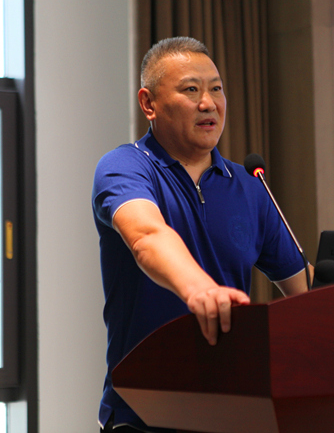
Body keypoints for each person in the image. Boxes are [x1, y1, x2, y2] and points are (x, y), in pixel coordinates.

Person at [92, 37, 311, 432]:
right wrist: (200, 290)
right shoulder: (125, 167)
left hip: (231, 411)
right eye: (191, 90)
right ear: (149, 103)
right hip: (143, 415)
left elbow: (306, 291)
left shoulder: (250, 186)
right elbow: (147, 236)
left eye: (216, 89)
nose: (208, 103)